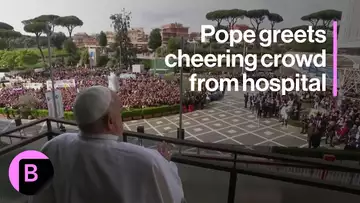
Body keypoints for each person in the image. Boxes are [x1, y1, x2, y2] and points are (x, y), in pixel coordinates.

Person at [30, 86, 185, 203]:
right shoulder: (148, 160)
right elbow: (174, 196)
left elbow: (39, 197)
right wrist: (164, 162)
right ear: (110, 122)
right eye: (120, 113)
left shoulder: (54, 146)